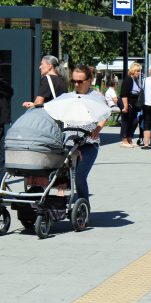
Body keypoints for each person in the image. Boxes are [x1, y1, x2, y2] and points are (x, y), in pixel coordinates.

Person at [65, 64, 108, 205]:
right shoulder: (69, 97)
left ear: (89, 81)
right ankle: (61, 205)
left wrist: (98, 129)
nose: (76, 84)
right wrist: (35, 105)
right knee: (61, 178)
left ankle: (84, 206)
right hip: (70, 143)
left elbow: (105, 114)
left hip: (88, 143)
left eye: (80, 81)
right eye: (74, 81)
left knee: (79, 177)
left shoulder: (96, 96)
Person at [119, 62, 142, 148]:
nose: (139, 73)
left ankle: (129, 138)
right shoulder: (128, 79)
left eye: (139, 71)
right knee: (126, 121)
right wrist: (125, 106)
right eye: (137, 71)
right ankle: (124, 140)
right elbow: (124, 94)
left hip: (134, 103)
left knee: (135, 121)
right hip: (127, 102)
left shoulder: (136, 80)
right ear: (133, 71)